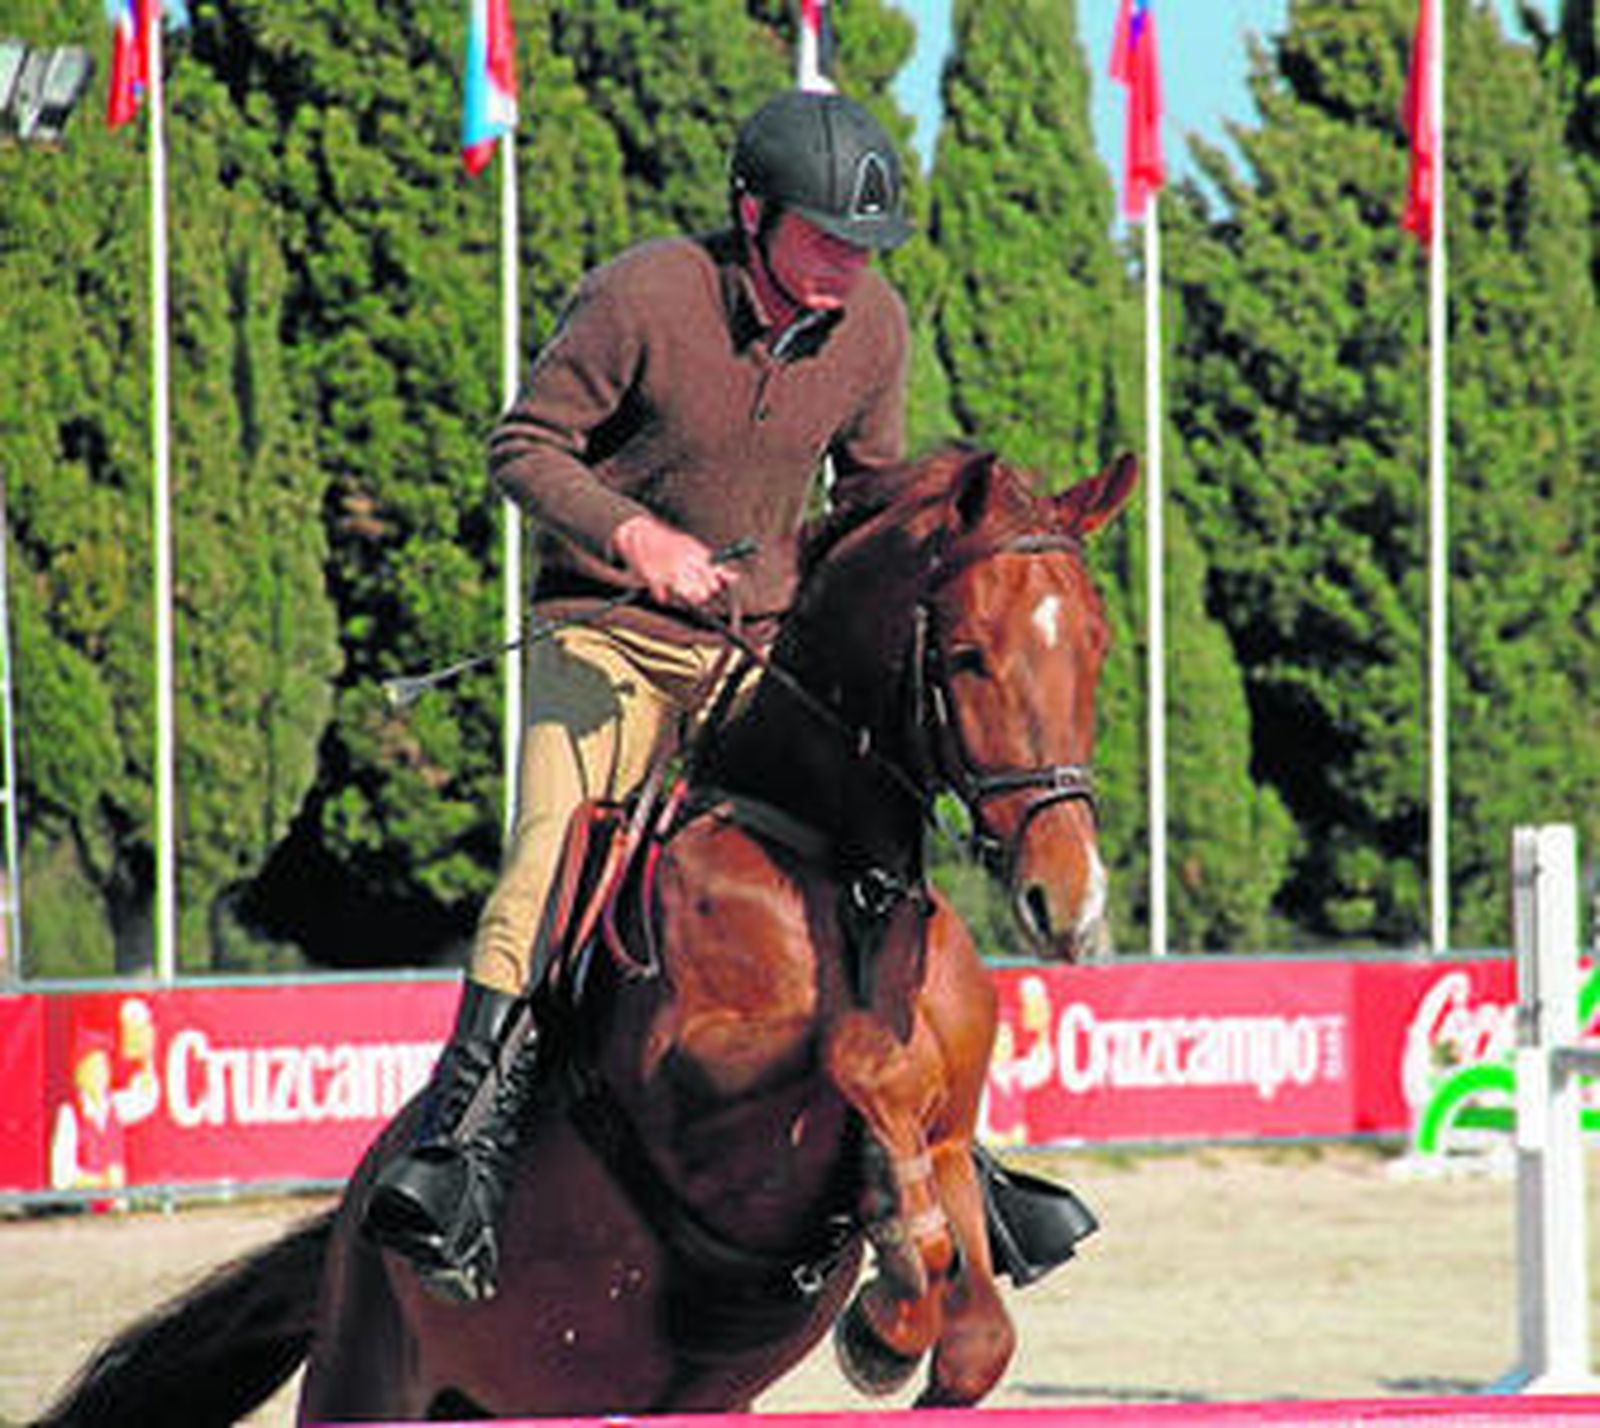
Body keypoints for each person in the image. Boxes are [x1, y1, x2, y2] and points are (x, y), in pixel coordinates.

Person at [361, 88, 915, 1304]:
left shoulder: (874, 329)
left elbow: (865, 501)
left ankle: (922, 1133)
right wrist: (633, 536)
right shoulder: (644, 295)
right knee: (554, 853)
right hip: (605, 629)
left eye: (863, 246)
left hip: (750, 647)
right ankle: (461, 1157)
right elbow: (523, 447)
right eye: (824, 239)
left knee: (872, 838)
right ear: (751, 213)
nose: (847, 267)